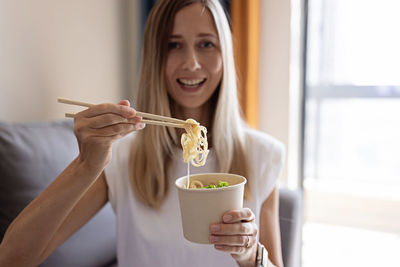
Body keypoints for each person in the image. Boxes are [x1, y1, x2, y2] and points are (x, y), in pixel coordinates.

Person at [0, 0, 285, 266]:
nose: (192, 63)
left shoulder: (262, 155)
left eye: (206, 44)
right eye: (174, 45)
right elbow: (12, 258)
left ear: (225, 53)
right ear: (154, 56)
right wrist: (86, 164)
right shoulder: (123, 155)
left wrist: (250, 255)